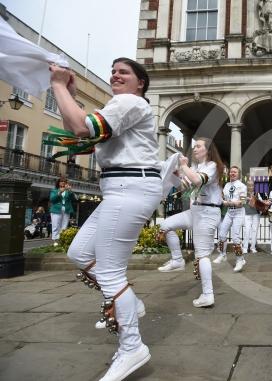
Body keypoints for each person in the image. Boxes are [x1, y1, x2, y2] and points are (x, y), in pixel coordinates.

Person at [51, 57, 163, 380]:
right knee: (80, 253)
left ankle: (132, 347)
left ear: (140, 83)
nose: (115, 74)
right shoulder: (121, 107)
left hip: (130, 186)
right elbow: (82, 138)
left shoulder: (129, 102)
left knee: (111, 273)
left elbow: (80, 127)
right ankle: (131, 301)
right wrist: (68, 95)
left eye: (123, 71)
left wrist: (58, 85)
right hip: (121, 188)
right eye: (112, 70)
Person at [158, 138, 224, 305]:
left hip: (208, 213)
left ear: (208, 150)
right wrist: (177, 174)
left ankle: (208, 295)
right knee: (165, 226)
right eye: (194, 146)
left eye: (198, 146)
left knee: (202, 255)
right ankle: (177, 260)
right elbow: (186, 187)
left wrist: (184, 166)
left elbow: (196, 180)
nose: (194, 149)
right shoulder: (197, 167)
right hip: (195, 210)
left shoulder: (212, 166)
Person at [213, 166, 247, 272]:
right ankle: (223, 255)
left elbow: (241, 203)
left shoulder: (242, 186)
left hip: (238, 213)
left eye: (235, 172)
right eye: (231, 172)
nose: (232, 173)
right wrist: (226, 201)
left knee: (235, 237)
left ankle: (240, 260)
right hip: (229, 212)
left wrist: (229, 203)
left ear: (238, 174)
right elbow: (222, 198)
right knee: (222, 234)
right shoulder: (227, 185)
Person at [49, 178, 76, 245]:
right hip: (56, 210)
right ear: (58, 183)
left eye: (64, 181)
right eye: (61, 181)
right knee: (56, 225)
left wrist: (70, 191)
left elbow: (73, 198)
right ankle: (55, 241)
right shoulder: (54, 190)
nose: (63, 182)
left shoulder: (68, 191)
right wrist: (59, 192)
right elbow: (52, 199)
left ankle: (61, 240)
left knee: (64, 226)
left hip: (66, 210)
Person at [242, 179, 264, 254]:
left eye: (252, 185)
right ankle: (245, 247)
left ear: (254, 186)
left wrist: (258, 201)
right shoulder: (243, 193)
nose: (250, 187)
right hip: (246, 214)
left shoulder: (257, 194)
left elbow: (261, 203)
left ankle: (253, 247)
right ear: (246, 186)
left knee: (255, 230)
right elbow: (241, 202)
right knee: (247, 230)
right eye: (249, 185)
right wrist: (248, 199)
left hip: (256, 214)